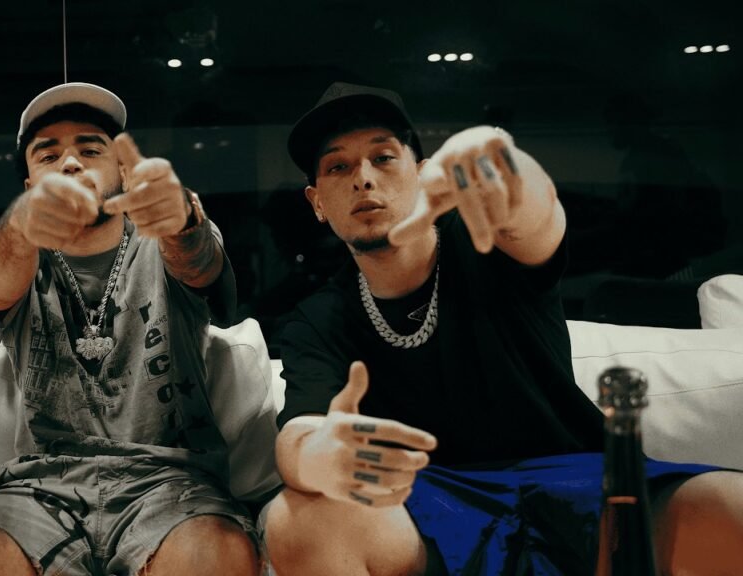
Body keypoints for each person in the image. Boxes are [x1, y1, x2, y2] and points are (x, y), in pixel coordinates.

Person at [262, 82, 743, 575]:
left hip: (582, 483)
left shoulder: (487, 242)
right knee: (297, 519)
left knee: (731, 502)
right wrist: (315, 456)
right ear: (317, 202)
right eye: (338, 167)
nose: (363, 178)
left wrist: (512, 177)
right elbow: (300, 431)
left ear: (422, 175)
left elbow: (535, 220)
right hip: (431, 504)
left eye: (383, 158)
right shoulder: (318, 319)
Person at [0, 82, 260, 576]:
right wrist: (21, 225)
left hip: (171, 481)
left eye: (91, 149)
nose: (71, 163)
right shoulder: (13, 249)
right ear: (30, 184)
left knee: (212, 554)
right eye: (48, 155)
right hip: (41, 485)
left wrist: (181, 220)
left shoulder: (164, 239)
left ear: (123, 171)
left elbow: (200, 264)